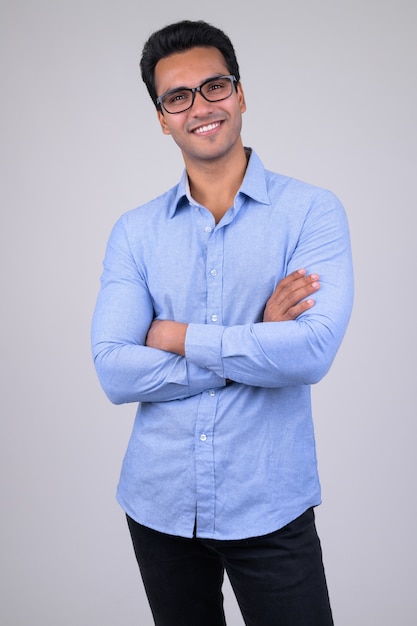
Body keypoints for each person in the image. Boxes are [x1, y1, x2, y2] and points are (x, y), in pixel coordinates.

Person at [91, 19, 353, 626]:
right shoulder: (135, 232)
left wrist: (176, 336)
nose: (200, 107)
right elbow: (113, 369)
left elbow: (311, 352)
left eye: (215, 86)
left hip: (270, 504)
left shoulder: (310, 212)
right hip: (159, 505)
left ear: (240, 93)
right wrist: (256, 347)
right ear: (162, 117)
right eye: (177, 97)